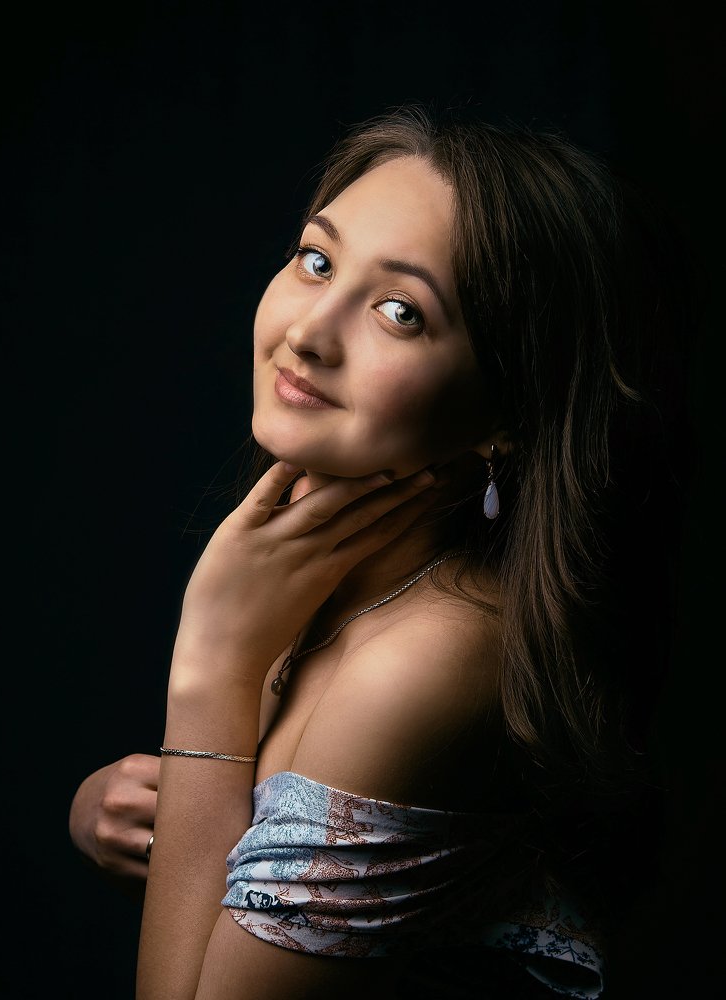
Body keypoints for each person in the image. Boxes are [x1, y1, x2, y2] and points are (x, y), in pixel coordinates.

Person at [68, 103, 697, 999]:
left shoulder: (424, 661)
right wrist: (116, 812)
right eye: (316, 260)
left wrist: (211, 667)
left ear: (509, 412)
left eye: (401, 312)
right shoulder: (320, 577)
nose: (309, 332)